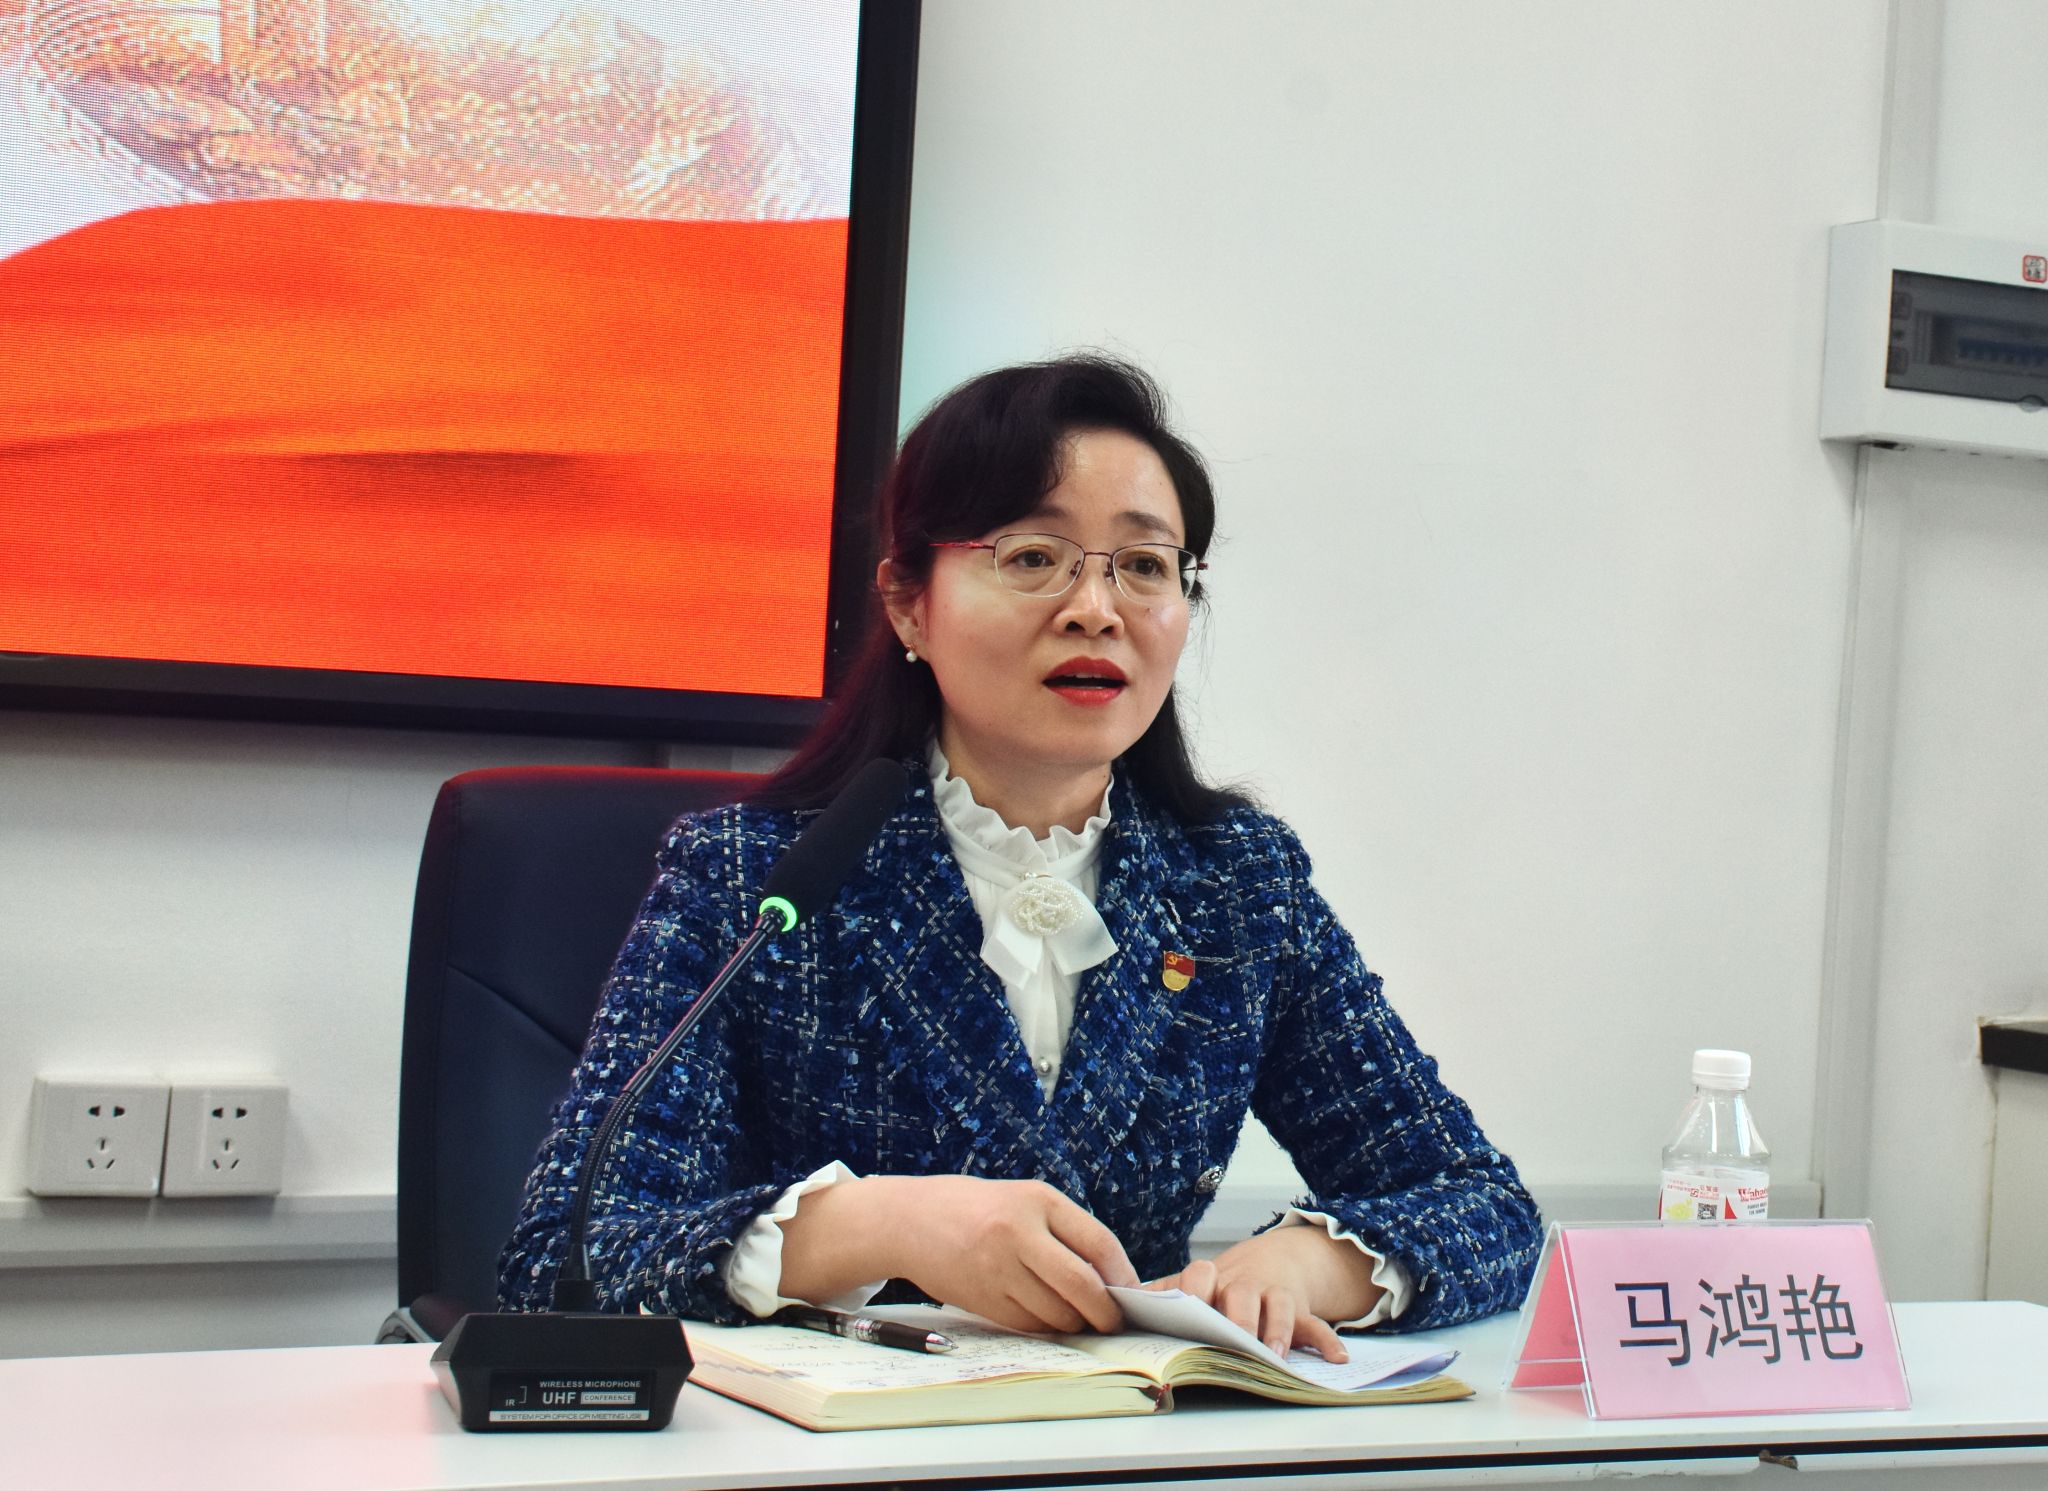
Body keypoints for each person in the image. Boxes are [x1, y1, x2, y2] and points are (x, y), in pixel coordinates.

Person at [500, 356, 1542, 1359]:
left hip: (1129, 1442)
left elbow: (1479, 1203)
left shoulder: (1236, 885)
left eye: (1144, 565)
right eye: (1033, 558)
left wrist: (1310, 1263)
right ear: (909, 603)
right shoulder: (751, 877)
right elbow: (563, 1258)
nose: (1096, 609)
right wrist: (875, 1225)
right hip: (829, 1448)